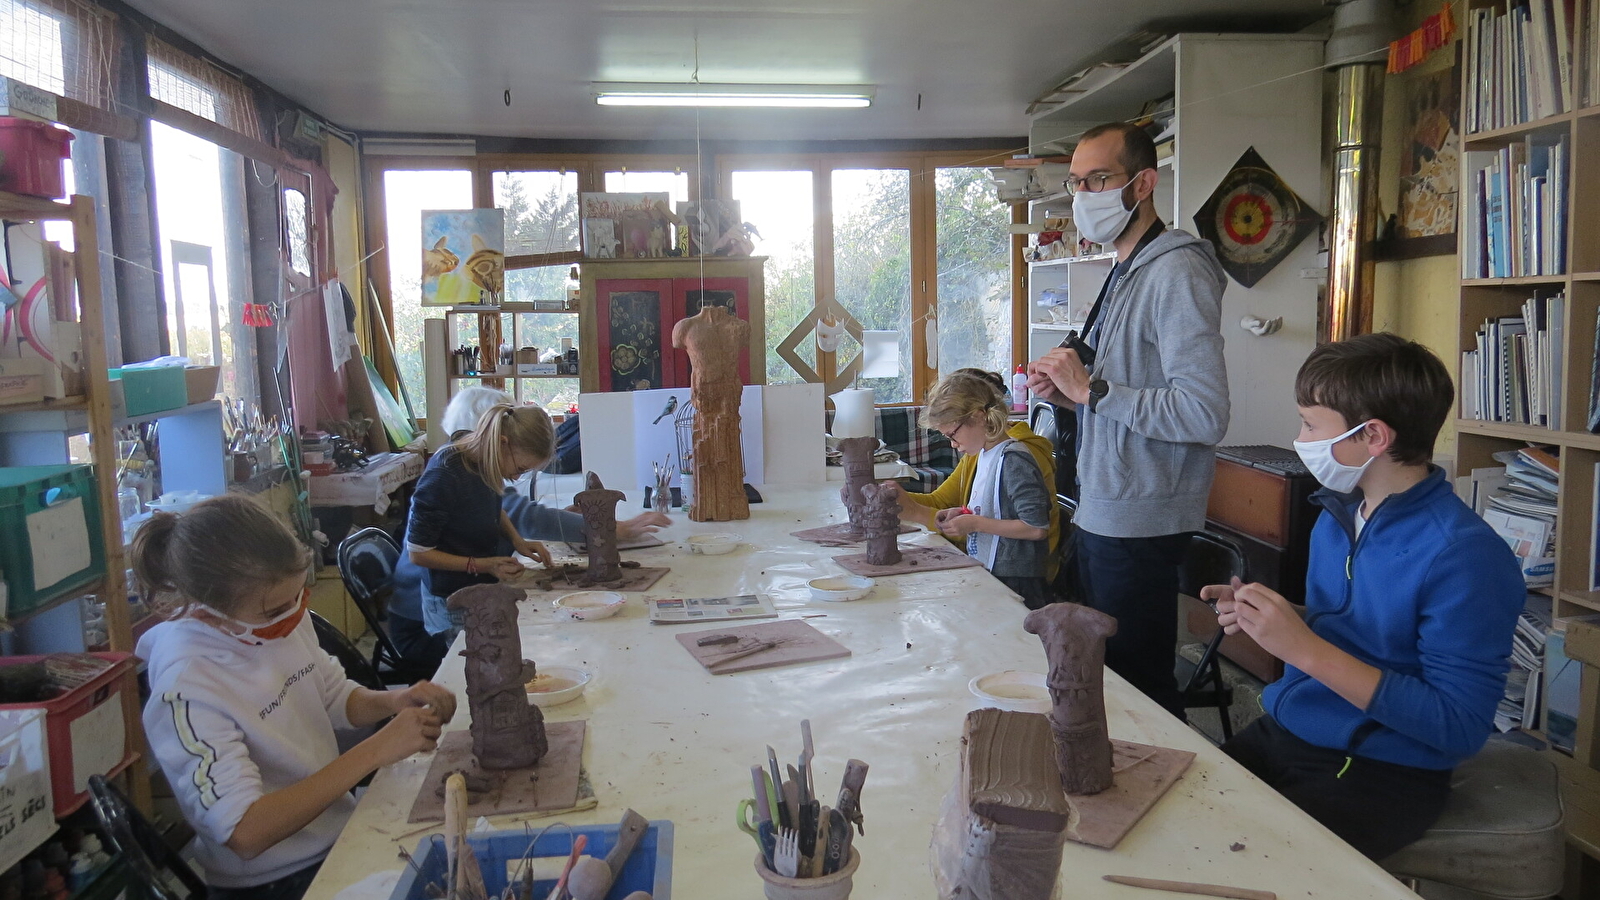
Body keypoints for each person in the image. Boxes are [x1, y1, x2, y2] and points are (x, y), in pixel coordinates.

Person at [1203, 334, 1523, 861]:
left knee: (1235, 865)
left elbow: (1459, 725)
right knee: (1173, 816)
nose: (1299, 437)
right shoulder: (1338, 515)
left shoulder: (1464, 555)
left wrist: (1302, 648)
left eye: (1310, 424)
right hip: (1293, 725)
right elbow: (1364, 630)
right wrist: (1273, 619)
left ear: (1371, 435)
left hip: (1381, 768)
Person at [135, 496, 455, 900]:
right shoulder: (186, 688)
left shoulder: (279, 620)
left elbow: (334, 696)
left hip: (336, 831)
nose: (293, 615)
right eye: (274, 610)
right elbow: (245, 832)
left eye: (298, 596)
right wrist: (375, 751)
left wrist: (393, 701)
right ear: (207, 614)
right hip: (273, 880)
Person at [1026, 120, 1229, 715]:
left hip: (1141, 519)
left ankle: (1162, 793)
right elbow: (1115, 399)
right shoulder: (1124, 267)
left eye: (1099, 179)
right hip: (1105, 507)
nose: (1083, 195)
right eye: (1075, 182)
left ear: (1142, 184)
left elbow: (1204, 410)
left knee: (1137, 689)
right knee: (1105, 679)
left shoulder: (1177, 270)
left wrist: (1095, 390)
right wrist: (1068, 395)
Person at [388, 392, 668, 674]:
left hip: (476, 586)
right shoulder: (443, 475)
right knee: (477, 676)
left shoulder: (482, 456)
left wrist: (517, 540)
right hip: (447, 601)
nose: (517, 477)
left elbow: (493, 502)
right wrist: (485, 564)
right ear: (501, 442)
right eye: (520, 468)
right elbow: (419, 553)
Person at [891, 368, 1062, 589]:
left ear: (978, 417)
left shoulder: (1014, 460)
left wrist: (975, 523)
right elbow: (997, 508)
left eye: (952, 435)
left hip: (1019, 578)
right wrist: (962, 514)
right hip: (993, 567)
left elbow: (1036, 527)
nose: (952, 444)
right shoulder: (983, 453)